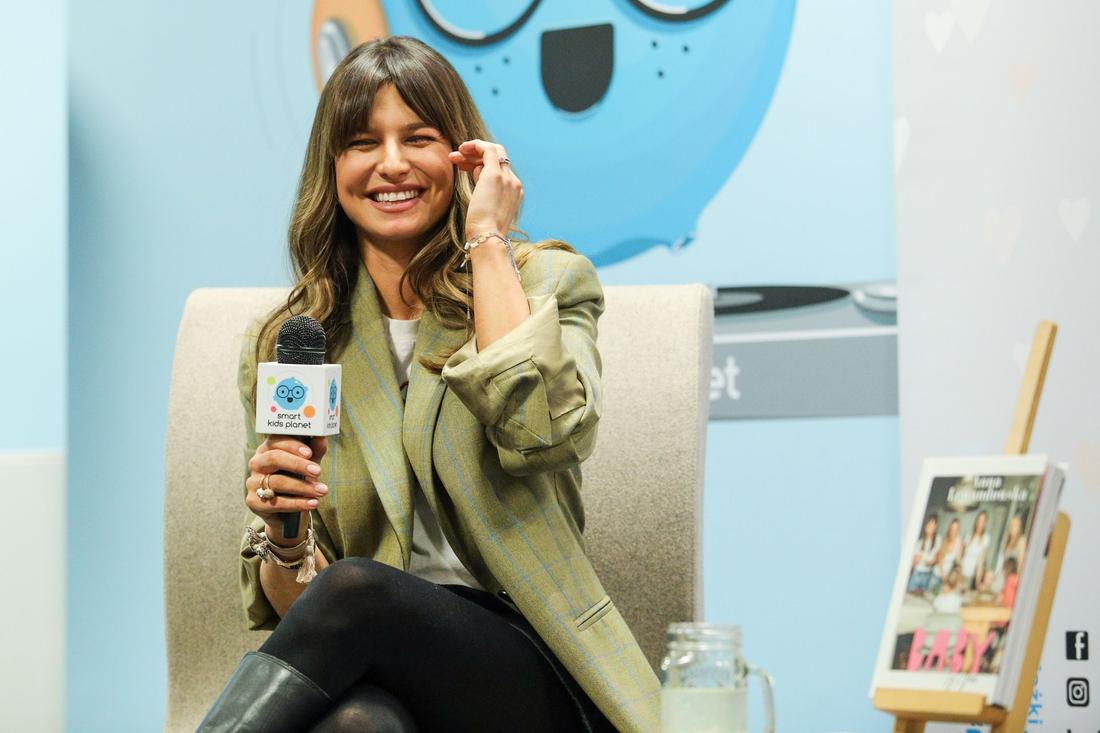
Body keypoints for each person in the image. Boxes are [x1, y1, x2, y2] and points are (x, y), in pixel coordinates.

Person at [196, 36, 657, 733]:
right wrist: (285, 537)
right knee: (357, 723)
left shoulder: (542, 283)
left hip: (528, 673)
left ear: (462, 155)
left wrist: (488, 239)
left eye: (418, 138)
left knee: (357, 586)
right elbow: (300, 611)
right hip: (377, 669)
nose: (391, 164)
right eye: (362, 142)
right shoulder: (295, 339)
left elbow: (544, 433)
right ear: (332, 167)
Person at [907, 514, 940, 595]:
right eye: (929, 525)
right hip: (917, 573)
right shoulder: (919, 542)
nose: (931, 528)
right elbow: (915, 561)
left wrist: (925, 560)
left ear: (936, 527)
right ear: (926, 526)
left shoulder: (938, 540)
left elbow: (936, 559)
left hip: (928, 575)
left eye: (933, 525)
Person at [960, 510, 990, 591]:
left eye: (983, 521)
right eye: (979, 520)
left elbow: (981, 562)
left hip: (971, 576)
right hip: (961, 573)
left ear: (985, 523)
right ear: (976, 521)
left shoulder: (985, 538)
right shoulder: (968, 536)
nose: (981, 523)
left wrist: (978, 583)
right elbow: (961, 556)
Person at [931, 516, 963, 594]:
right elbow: (939, 560)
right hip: (937, 574)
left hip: (947, 577)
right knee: (932, 595)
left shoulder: (959, 542)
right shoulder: (944, 539)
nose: (953, 531)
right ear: (949, 528)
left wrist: (958, 578)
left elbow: (958, 562)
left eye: (955, 529)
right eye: (952, 529)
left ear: (958, 530)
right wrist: (943, 576)